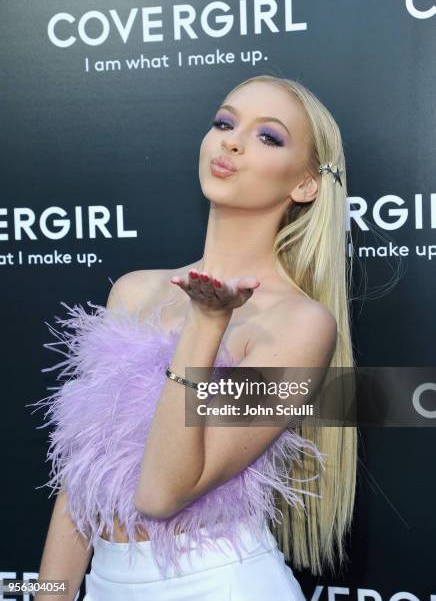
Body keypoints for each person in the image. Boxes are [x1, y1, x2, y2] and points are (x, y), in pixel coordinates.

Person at [29, 74, 357, 600]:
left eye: (268, 136)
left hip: (218, 582)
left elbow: (163, 493)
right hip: (108, 583)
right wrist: (49, 594)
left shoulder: (298, 324)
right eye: (225, 123)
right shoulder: (134, 293)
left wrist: (206, 327)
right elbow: (84, 477)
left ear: (305, 184)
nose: (231, 140)